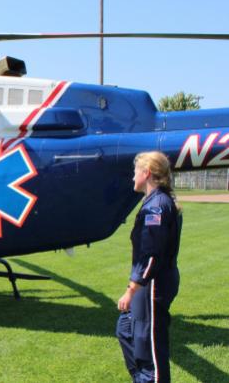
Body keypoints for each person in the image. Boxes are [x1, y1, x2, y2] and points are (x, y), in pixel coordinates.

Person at [116, 151, 182, 383]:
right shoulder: (153, 201)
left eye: (135, 171)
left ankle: (149, 378)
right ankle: (142, 379)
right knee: (125, 329)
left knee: (149, 348)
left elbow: (151, 255)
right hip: (147, 283)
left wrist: (131, 289)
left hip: (153, 285)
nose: (132, 177)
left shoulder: (158, 206)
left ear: (146, 173)